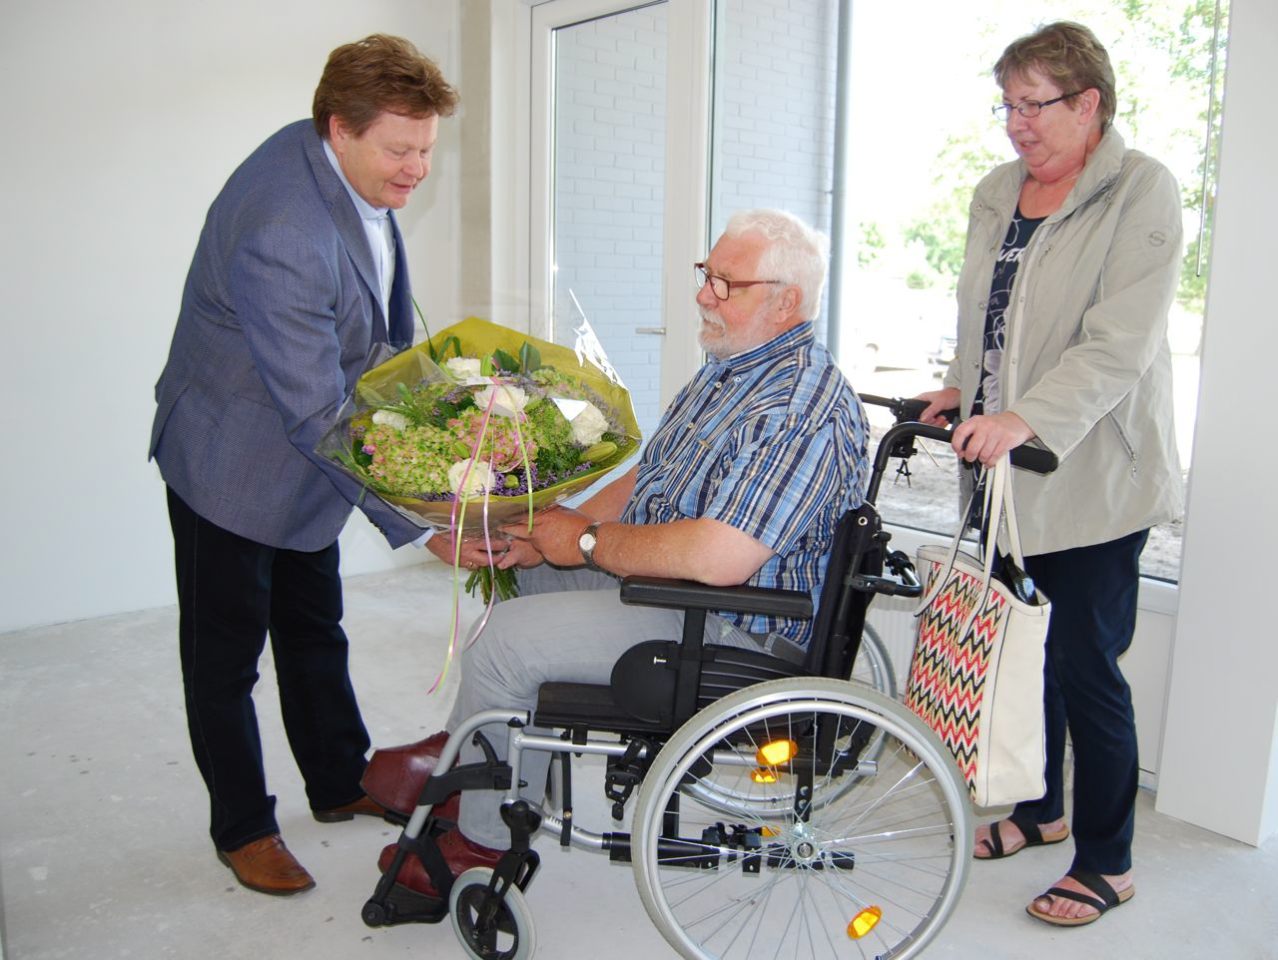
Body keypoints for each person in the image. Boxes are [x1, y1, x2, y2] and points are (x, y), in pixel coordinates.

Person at [358, 209, 869, 896]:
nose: (704, 294)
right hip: (688, 595)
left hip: (734, 626)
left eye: (727, 283)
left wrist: (586, 542)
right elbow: (648, 479)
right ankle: (477, 763)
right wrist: (545, 533)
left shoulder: (797, 405)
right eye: (706, 274)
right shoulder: (733, 369)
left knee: (505, 645)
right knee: (523, 587)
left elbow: (720, 558)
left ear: (786, 302)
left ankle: (480, 844)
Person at [149, 34, 491, 896]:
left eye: (427, 150)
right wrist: (423, 524)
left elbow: (368, 333)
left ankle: (337, 781)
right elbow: (316, 411)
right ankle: (242, 827)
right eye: (401, 151)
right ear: (340, 127)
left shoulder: (344, 166)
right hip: (232, 463)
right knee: (225, 659)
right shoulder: (283, 230)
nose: (417, 170)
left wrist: (453, 413)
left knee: (313, 624)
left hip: (309, 454)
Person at [916, 22, 1183, 927]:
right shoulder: (998, 191)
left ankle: (1108, 860)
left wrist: (1024, 417)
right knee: (1020, 652)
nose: (1016, 124)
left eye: (1033, 105)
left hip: (1093, 473)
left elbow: (1119, 342)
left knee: (1084, 665)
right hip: (1005, 473)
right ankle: (1040, 810)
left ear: (1088, 102)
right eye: (1007, 105)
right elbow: (991, 317)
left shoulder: (1141, 189)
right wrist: (965, 387)